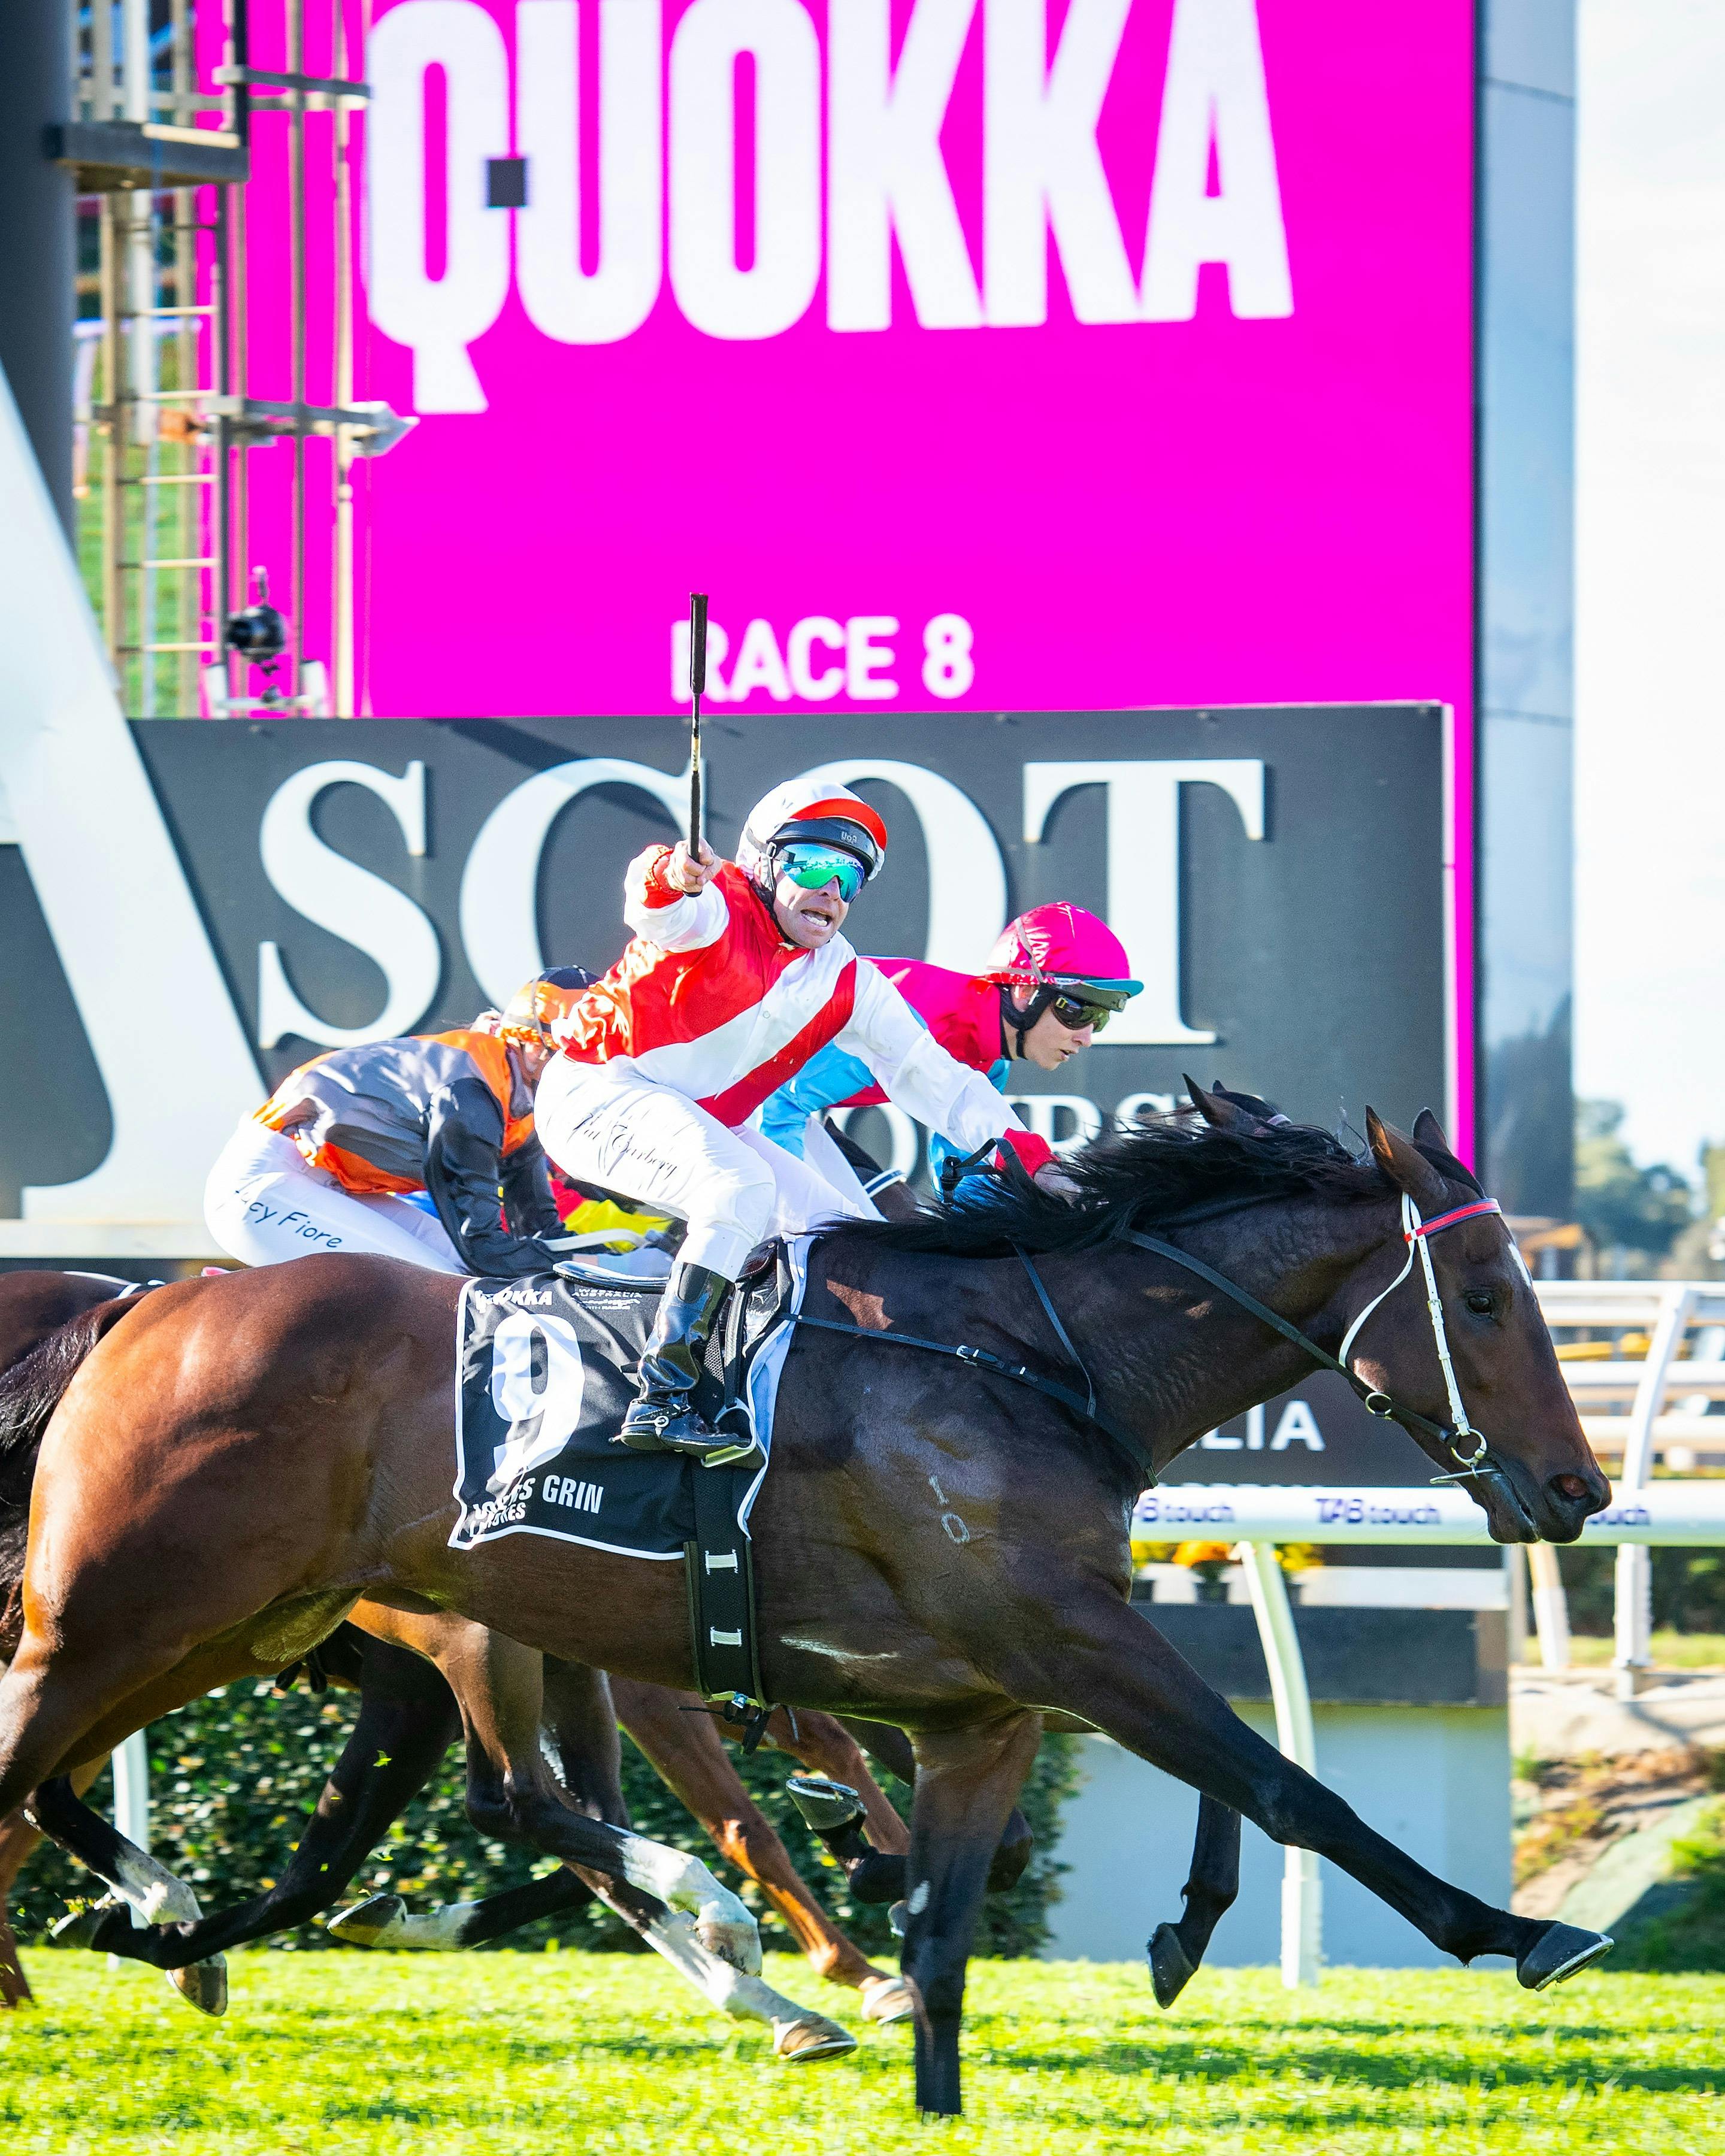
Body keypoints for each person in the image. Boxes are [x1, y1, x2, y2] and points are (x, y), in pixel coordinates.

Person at [534, 780, 1060, 1460]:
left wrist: (1038, 1165)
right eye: (813, 866)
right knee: (739, 1187)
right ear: (762, 864)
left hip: (703, 1121)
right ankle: (662, 1397)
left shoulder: (848, 979)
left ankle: (786, 1399)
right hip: (595, 1094)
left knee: (852, 1242)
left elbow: (941, 1082)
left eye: (850, 878)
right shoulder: (715, 907)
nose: (831, 892)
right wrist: (672, 871)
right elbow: (657, 904)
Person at [204, 969, 592, 1277]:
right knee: (444, 1284)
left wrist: (600, 1261)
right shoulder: (473, 1092)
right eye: (580, 1058)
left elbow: (537, 1230)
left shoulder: (517, 1096)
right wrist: (582, 1265)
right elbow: (483, 1248)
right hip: (265, 1185)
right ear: (535, 1044)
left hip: (326, 1184)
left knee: (459, 1274)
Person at [758, 903, 1142, 1188]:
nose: (1086, 1037)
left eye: (1100, 1018)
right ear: (1025, 991)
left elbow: (961, 1181)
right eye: (1076, 1011)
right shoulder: (915, 1015)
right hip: (740, 1096)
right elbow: (774, 1100)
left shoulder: (992, 1065)